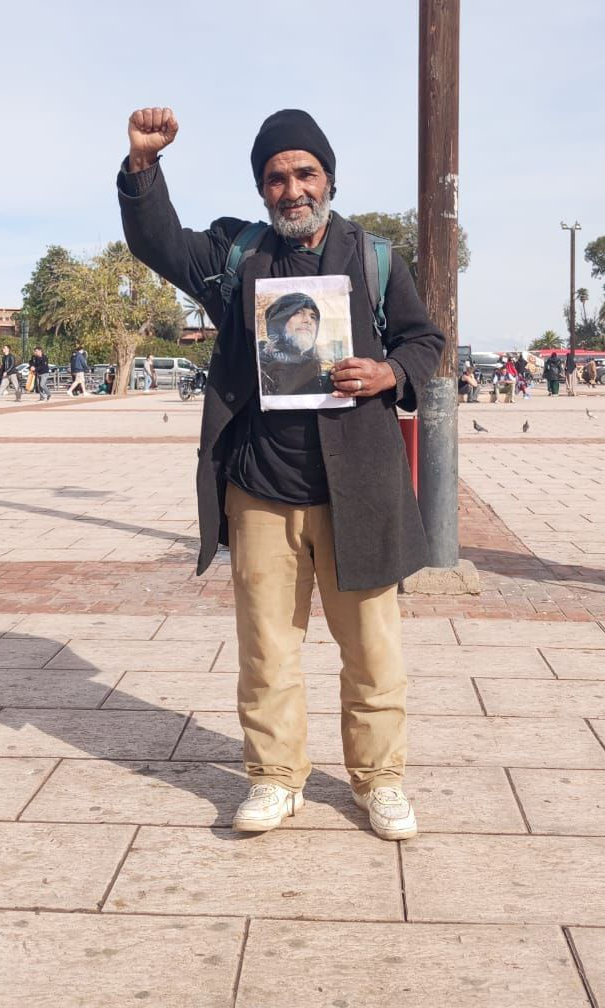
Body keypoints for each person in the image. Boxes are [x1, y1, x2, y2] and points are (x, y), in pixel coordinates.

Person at [119, 105, 444, 841]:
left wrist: (389, 370)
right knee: (267, 647)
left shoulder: (374, 257)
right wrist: (143, 167)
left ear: (328, 178)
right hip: (262, 487)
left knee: (371, 648)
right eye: (276, 177)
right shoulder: (237, 257)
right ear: (261, 188)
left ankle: (379, 780)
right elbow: (159, 242)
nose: (291, 189)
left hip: (358, 485)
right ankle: (273, 778)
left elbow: (426, 338)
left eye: (305, 173)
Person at [258, 293, 331, 395]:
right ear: (278, 322)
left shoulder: (324, 372)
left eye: (313, 316)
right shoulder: (256, 363)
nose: (308, 320)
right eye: (298, 312)